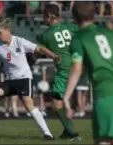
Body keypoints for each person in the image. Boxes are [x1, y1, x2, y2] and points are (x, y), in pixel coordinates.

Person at [0, 15, 60, 140]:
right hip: (9, 81)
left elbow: (39, 48)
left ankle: (47, 134)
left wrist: (53, 55)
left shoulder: (19, 41)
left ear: (7, 29)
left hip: (24, 79)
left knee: (29, 105)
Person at [63, 2, 113, 145]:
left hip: (104, 92)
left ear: (74, 17)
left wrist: (66, 97)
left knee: (103, 139)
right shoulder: (112, 34)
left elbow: (76, 69)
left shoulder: (79, 39)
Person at [37, 4, 80, 140]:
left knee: (56, 102)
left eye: (44, 16)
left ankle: (72, 133)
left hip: (64, 70)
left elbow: (37, 53)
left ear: (49, 16)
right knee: (63, 99)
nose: (42, 18)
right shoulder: (71, 27)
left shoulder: (46, 35)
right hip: (76, 67)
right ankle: (68, 131)